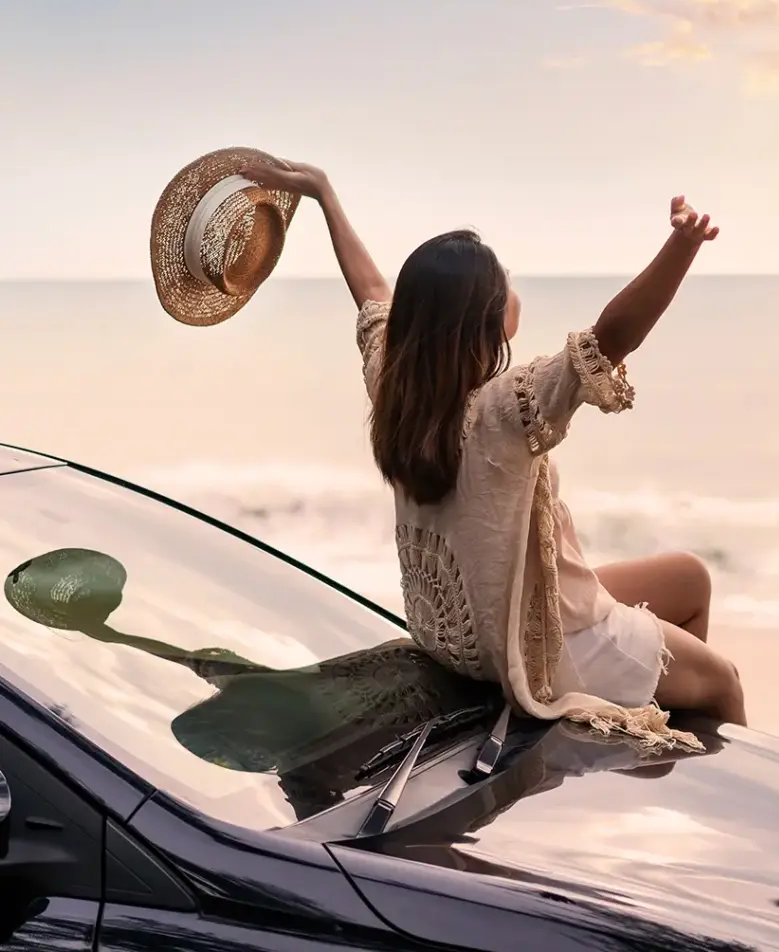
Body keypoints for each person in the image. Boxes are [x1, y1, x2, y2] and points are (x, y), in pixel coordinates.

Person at [241, 160, 746, 751]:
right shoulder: (507, 411)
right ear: (483, 320)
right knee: (724, 681)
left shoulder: (396, 387)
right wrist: (682, 247)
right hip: (538, 653)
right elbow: (613, 335)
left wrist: (324, 194)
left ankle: (650, 741)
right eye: (504, 283)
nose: (514, 290)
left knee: (689, 578)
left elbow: (373, 296)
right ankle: (716, 789)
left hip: (465, 632)